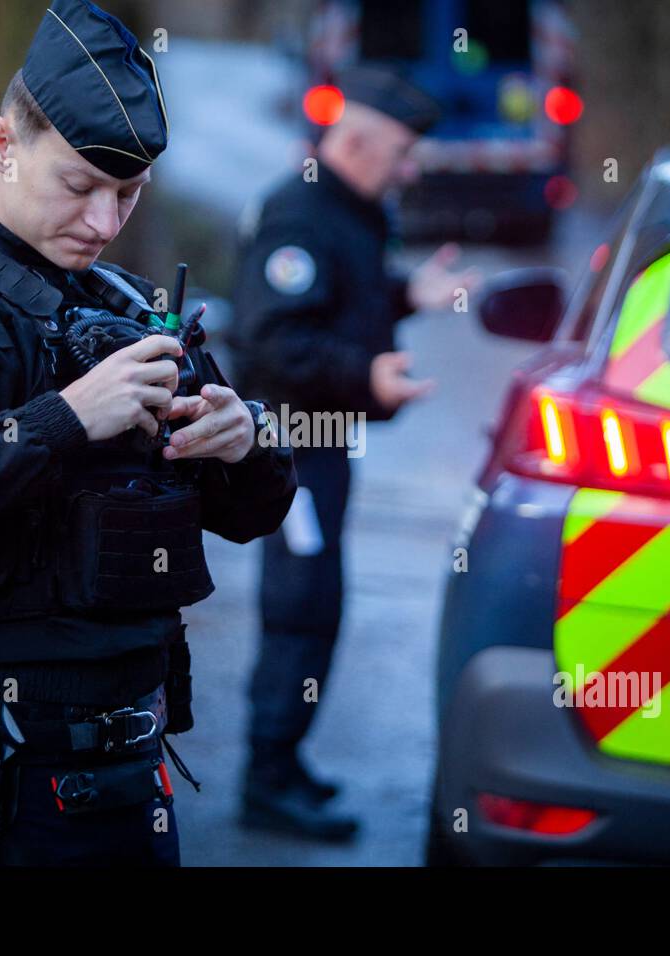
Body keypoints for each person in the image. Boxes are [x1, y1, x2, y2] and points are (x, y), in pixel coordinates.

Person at [0, 0, 294, 867]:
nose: (106, 222)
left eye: (130, 193)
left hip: (134, 766)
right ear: (3, 144)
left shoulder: (124, 304)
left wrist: (244, 443)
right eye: (80, 187)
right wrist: (62, 420)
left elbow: (250, 514)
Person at [231, 65, 481, 841]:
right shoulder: (298, 214)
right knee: (299, 609)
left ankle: (286, 759)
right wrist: (363, 373)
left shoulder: (353, 208)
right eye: (402, 151)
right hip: (292, 450)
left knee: (321, 605)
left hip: (326, 445)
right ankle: (265, 781)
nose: (409, 169)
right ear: (359, 139)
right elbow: (271, 343)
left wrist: (409, 295)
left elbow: (341, 297)